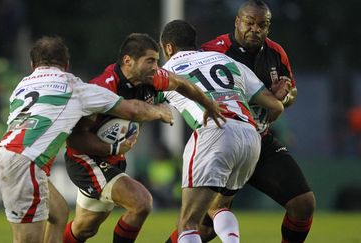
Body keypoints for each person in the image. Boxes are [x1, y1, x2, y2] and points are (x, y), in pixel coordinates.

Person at [0, 36, 175, 243]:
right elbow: (131, 109)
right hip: (26, 164)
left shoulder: (21, 87)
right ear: (67, 65)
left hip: (2, 158)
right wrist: (159, 111)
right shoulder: (73, 87)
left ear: (32, 65)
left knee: (59, 214)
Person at [62, 33, 225, 243]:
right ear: (128, 61)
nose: (156, 66)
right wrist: (113, 148)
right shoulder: (103, 87)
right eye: (150, 60)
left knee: (84, 228)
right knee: (141, 202)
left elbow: (182, 83)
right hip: (85, 161)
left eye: (157, 60)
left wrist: (209, 105)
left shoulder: (153, 78)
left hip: (113, 160)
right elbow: (74, 140)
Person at [197, 0, 316, 242]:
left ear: (268, 27)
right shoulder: (212, 51)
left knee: (303, 204)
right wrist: (267, 99)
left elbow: (290, 93)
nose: (255, 29)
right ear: (237, 22)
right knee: (205, 228)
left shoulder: (276, 53)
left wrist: (284, 96)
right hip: (222, 141)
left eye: (262, 25)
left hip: (260, 140)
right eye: (249, 23)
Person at [160, 20, 284, 243]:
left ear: (168, 48)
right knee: (219, 206)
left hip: (214, 132)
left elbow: (142, 101)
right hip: (249, 135)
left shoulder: (166, 70)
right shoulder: (228, 61)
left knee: (188, 222)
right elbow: (275, 106)